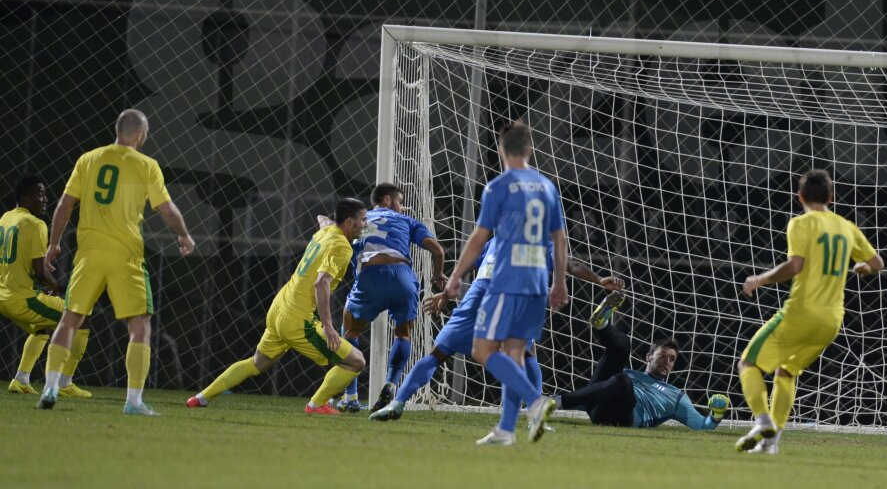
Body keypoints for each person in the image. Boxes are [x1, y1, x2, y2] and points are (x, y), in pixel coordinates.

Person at [38, 110, 195, 414]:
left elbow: (65, 204)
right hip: (126, 255)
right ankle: (133, 401)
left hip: (89, 252)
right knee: (139, 325)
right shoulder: (146, 165)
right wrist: (184, 235)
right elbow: (166, 208)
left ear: (118, 129)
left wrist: (54, 244)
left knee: (71, 317)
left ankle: (50, 386)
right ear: (140, 134)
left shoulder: (89, 158)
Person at [369, 245, 622, 424]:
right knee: (527, 353)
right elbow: (572, 265)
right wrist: (600, 279)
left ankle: (398, 402)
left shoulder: (495, 239)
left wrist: (445, 295)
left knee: (437, 355)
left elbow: (467, 264)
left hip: (478, 297)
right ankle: (536, 417)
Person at [736, 169, 883, 454]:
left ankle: (762, 420)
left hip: (801, 313)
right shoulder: (846, 226)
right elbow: (877, 262)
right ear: (831, 196)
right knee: (787, 371)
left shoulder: (800, 224)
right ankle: (770, 443)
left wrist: (759, 279)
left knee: (748, 364)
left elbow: (795, 266)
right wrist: (863, 267)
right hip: (831, 321)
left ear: (799, 196)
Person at [441, 120, 568, 446]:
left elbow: (478, 238)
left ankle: (536, 401)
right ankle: (506, 430)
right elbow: (560, 239)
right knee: (514, 354)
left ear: (500, 149)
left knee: (483, 349)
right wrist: (560, 283)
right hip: (538, 282)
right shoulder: (547, 187)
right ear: (529, 150)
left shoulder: (498, 187)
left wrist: (455, 277)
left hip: (508, 279)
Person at [187, 199, 368, 414]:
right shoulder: (341, 247)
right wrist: (328, 326)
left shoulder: (326, 232)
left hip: (279, 307)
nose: (366, 224)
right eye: (363, 220)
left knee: (257, 363)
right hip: (298, 319)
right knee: (355, 361)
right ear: (349, 222)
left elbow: (322, 220)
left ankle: (201, 397)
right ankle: (317, 404)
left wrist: (327, 221)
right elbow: (321, 283)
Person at [336, 183, 446, 413]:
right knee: (404, 333)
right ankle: (391, 383)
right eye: (400, 201)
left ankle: (350, 396)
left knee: (350, 331)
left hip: (370, 276)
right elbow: (438, 250)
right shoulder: (406, 221)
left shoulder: (361, 222)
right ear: (387, 200)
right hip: (402, 278)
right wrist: (437, 276)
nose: (403, 207)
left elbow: (343, 244)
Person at [555, 293, 729, 431]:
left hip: (624, 419)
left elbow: (701, 425)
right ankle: (602, 325)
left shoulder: (676, 396)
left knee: (622, 382)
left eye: (672, 359)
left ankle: (555, 402)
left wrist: (716, 415)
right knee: (622, 346)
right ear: (648, 357)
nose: (666, 361)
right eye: (662, 355)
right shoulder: (629, 373)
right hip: (598, 407)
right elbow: (594, 392)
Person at [0, 176, 90, 397]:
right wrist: (60, 287)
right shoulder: (36, 224)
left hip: (4, 296)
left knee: (43, 328)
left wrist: (43, 283)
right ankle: (65, 382)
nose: (45, 199)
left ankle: (21, 380)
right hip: (23, 299)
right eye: (40, 194)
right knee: (81, 317)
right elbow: (41, 272)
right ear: (25, 198)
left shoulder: (5, 218)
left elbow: (26, 266)